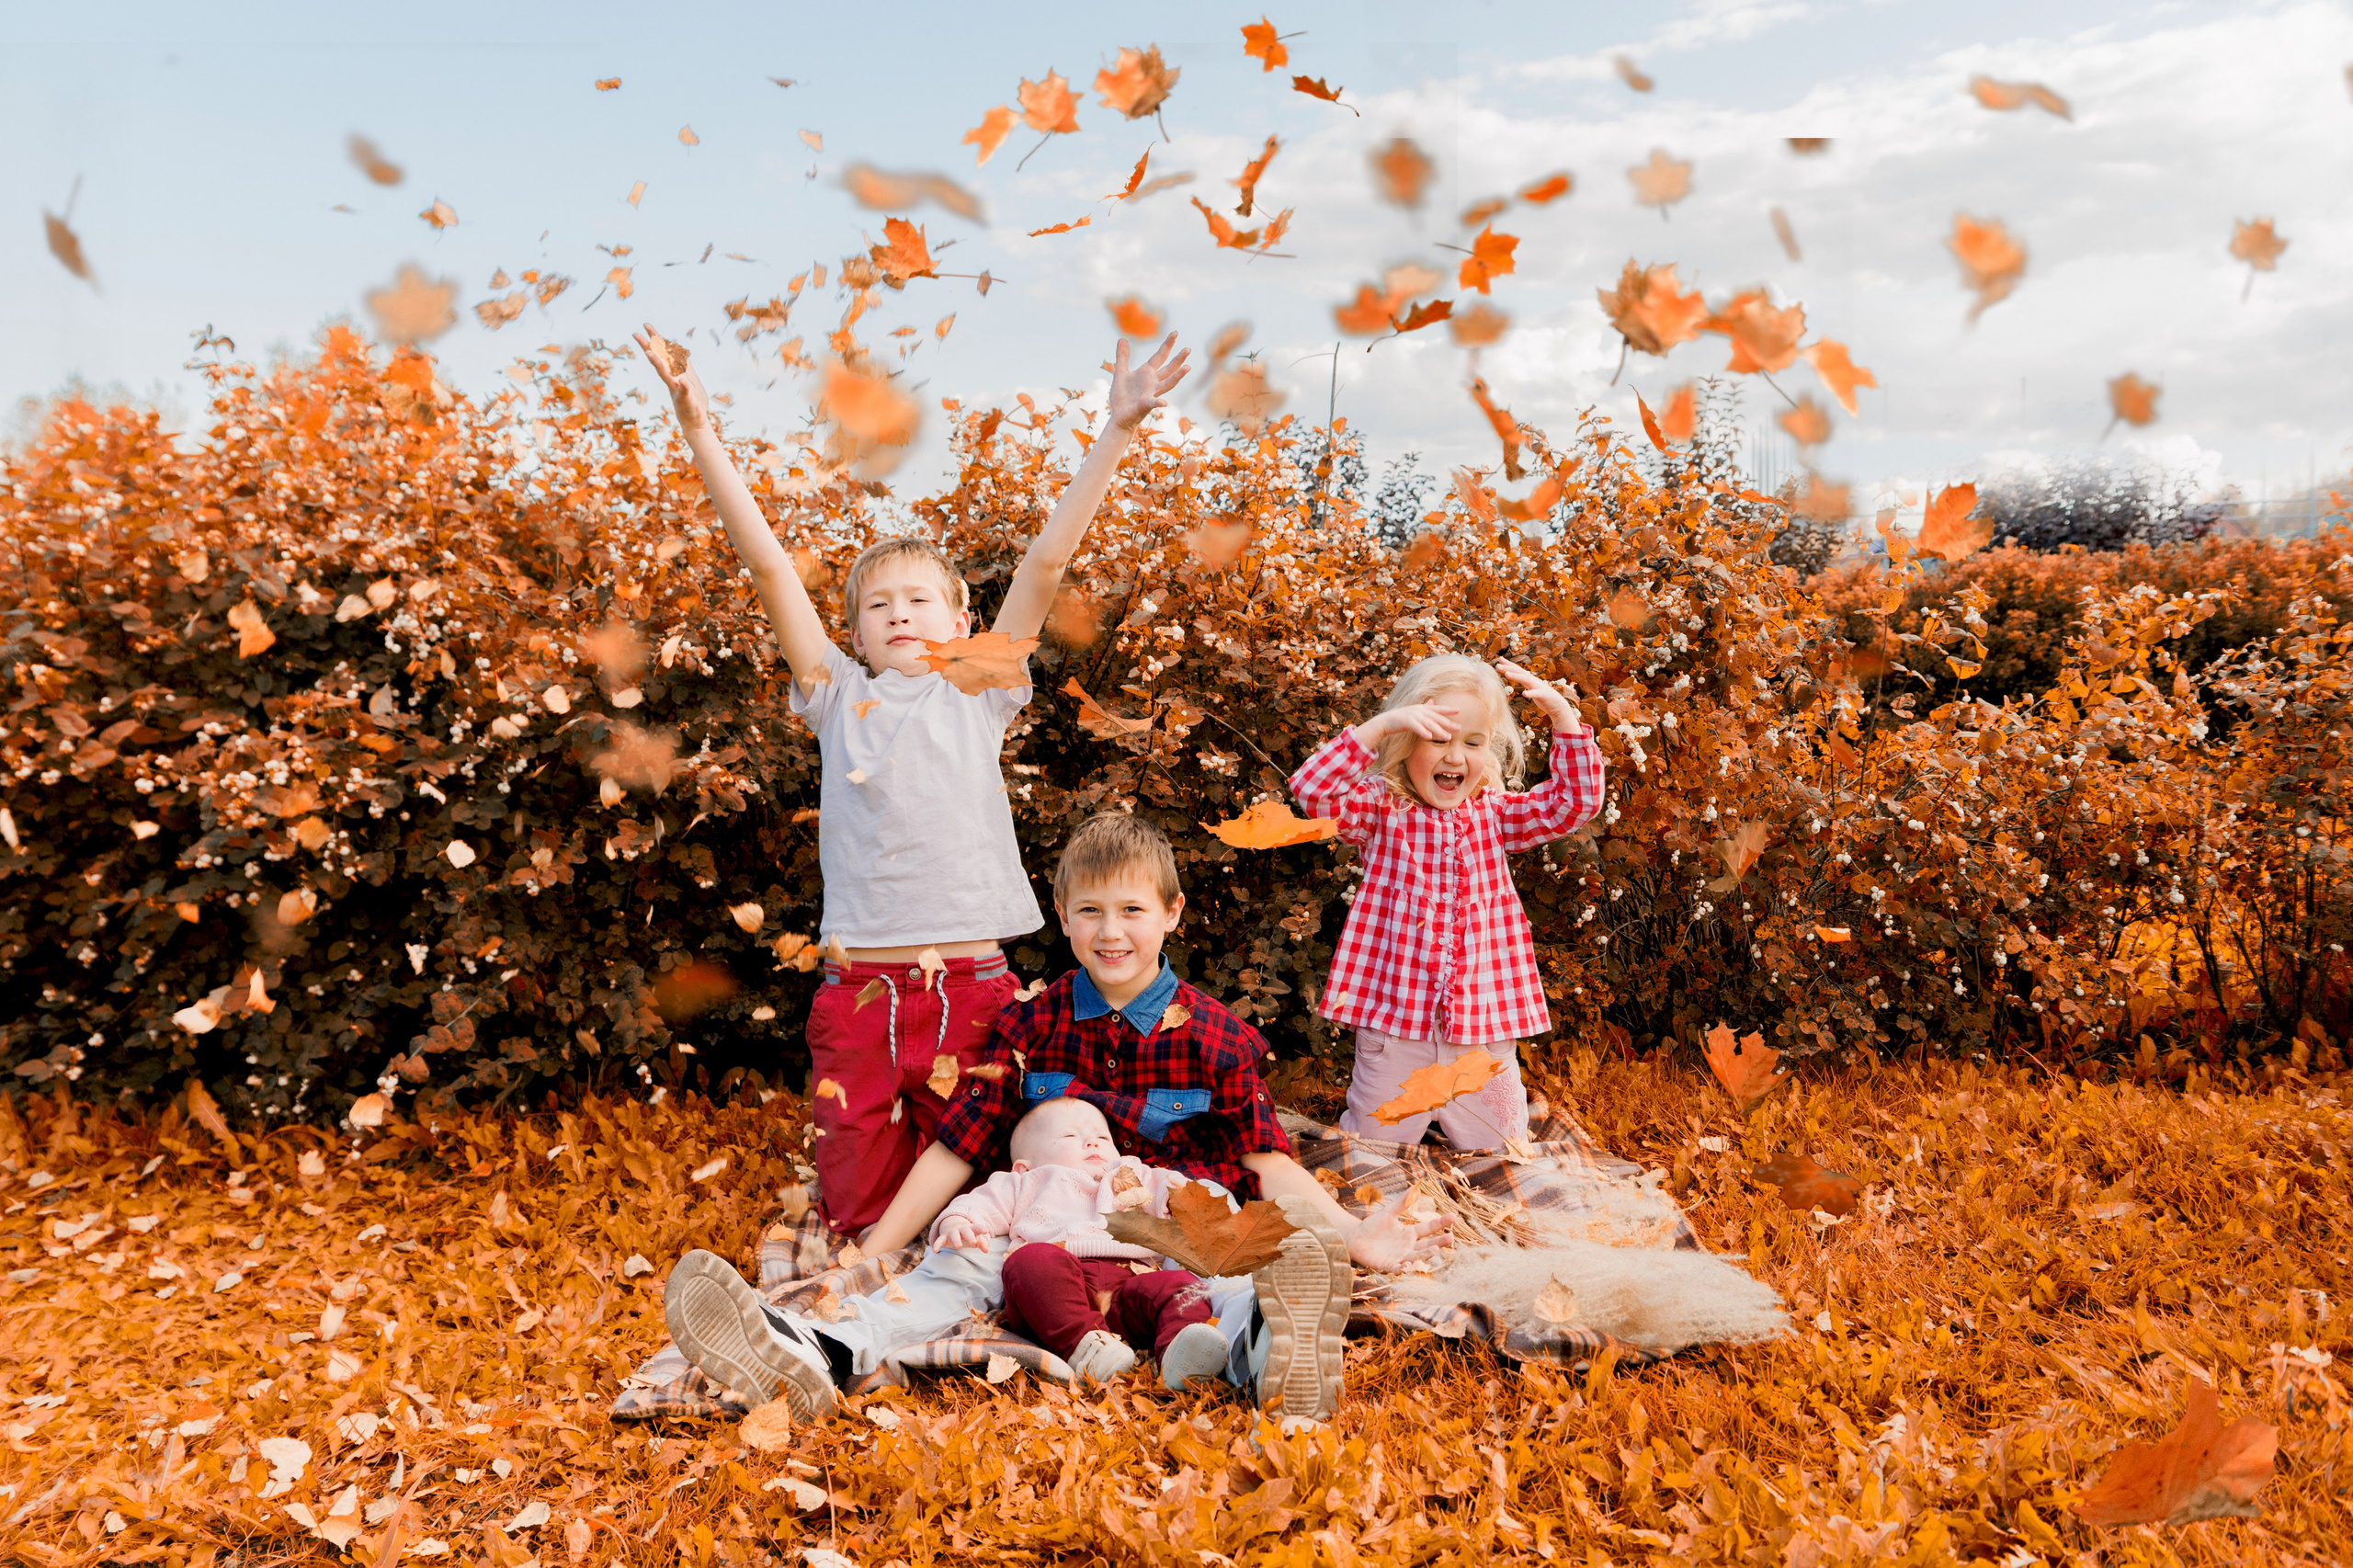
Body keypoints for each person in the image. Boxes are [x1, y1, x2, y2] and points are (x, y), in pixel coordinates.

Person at [633, 323, 1190, 1237]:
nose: (898, 611)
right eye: (876, 604)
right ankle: (864, 1293)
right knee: (857, 1219)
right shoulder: (833, 693)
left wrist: (1116, 429)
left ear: (961, 618)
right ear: (852, 633)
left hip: (970, 993)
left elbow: (1046, 563)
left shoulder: (980, 686)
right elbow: (769, 564)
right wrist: (696, 422)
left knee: (980, 1214)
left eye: (918, 597)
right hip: (858, 997)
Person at [863, 812, 1452, 1420]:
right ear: (1062, 915)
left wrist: (1351, 1234)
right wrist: (870, 1253)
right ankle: (830, 1342)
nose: (1110, 931)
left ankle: (1271, 1351)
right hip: (1047, 1231)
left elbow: (1264, 1159)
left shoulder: (1217, 1038)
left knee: (1240, 1274)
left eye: (1132, 911)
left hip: (1178, 1231)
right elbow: (959, 1145)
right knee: (956, 1268)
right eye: (1090, 910)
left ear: (1172, 911)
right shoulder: (1031, 1025)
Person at [662, 1096, 1234, 1416]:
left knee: (1183, 1286)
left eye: (1101, 1138)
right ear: (1027, 1164)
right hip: (1056, 1275)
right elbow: (977, 1207)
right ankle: (819, 1347)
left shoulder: (1134, 1174)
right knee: (1019, 1264)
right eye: (1073, 1137)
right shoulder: (1027, 1186)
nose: (1093, 1144)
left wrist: (1206, 1209)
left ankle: (1182, 1355)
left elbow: (1193, 1199)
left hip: (1135, 1277)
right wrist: (960, 1226)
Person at [1288, 654, 1606, 1151]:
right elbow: (1313, 795)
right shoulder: (1379, 807)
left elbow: (1573, 803)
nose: (1455, 757)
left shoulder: (1493, 814)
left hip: (1481, 1030)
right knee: (1369, 1156)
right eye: (1437, 739)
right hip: (1396, 1028)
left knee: (1504, 1154)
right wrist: (1379, 726)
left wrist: (1565, 720)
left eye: (1473, 743)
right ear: (1406, 742)